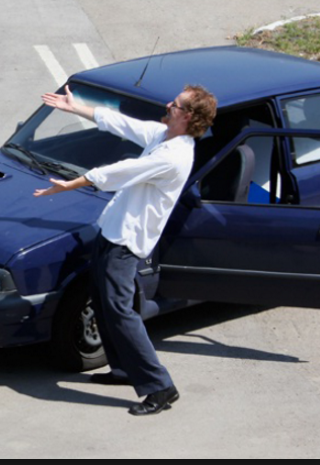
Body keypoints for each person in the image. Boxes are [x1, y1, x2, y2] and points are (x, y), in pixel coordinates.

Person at [34, 84, 217, 416]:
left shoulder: (173, 156)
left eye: (174, 103)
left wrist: (72, 184)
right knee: (104, 303)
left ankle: (160, 387)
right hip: (113, 231)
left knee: (120, 311)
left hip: (126, 243)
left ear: (187, 116)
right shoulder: (164, 136)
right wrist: (76, 108)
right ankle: (122, 370)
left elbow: (121, 171)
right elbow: (121, 123)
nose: (167, 104)